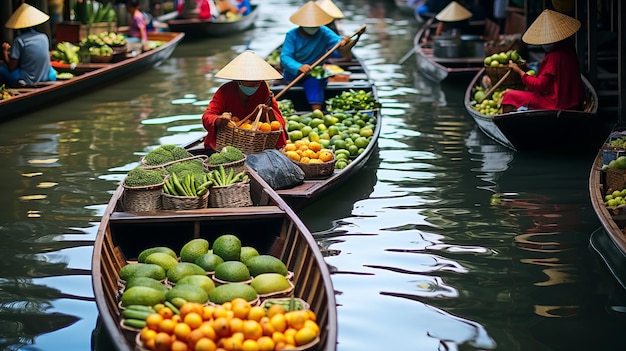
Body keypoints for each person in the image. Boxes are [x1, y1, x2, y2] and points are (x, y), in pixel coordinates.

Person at [201, 50, 287, 151]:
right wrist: (220, 119)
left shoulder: (263, 89)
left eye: (257, 81)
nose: (254, 84)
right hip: (225, 144)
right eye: (249, 81)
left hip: (254, 145)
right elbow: (207, 117)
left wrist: (267, 112)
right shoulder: (225, 91)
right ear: (239, 80)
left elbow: (279, 122)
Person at [500, 9, 583, 113]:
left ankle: (506, 125)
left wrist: (519, 72)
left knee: (509, 96)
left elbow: (541, 85)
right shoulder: (569, 48)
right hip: (572, 100)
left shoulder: (553, 56)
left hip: (555, 102)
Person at [280, 1, 357, 111]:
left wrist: (343, 42)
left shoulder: (323, 32)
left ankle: (317, 111)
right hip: (294, 73)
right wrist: (298, 67)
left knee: (314, 81)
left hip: (315, 71)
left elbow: (337, 42)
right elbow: (285, 57)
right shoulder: (292, 35)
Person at [0, 3, 56, 86]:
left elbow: (12, 67)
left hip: (27, 79)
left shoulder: (19, 40)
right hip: (45, 77)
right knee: (52, 71)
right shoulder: (44, 37)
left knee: (1, 69)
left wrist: (4, 52)